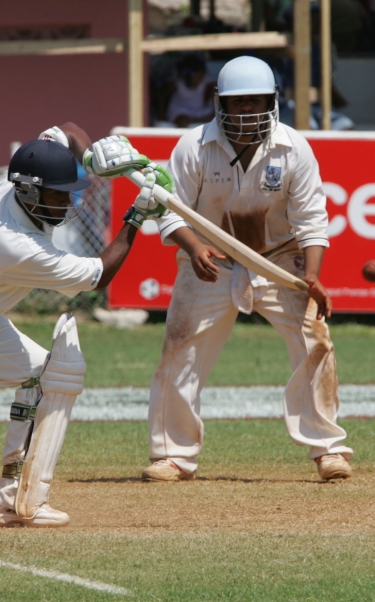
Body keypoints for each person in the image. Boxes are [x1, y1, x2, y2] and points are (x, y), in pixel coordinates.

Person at [139, 55, 353, 483]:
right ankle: (173, 455)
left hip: (278, 258)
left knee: (315, 341)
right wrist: (195, 247)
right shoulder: (193, 146)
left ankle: (328, 450)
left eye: (257, 101)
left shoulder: (294, 147)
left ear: (274, 100)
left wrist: (310, 276)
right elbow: (169, 211)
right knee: (180, 348)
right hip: (211, 261)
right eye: (238, 103)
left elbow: (311, 219)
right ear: (218, 101)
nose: (248, 111)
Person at [0, 125, 172, 527]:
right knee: (51, 374)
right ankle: (20, 497)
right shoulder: (15, 244)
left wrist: (103, 154)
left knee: (47, 375)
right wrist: (136, 215)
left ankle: (12, 496)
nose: (67, 203)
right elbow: (99, 276)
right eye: (58, 195)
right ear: (29, 192)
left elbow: (67, 129)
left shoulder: (29, 177)